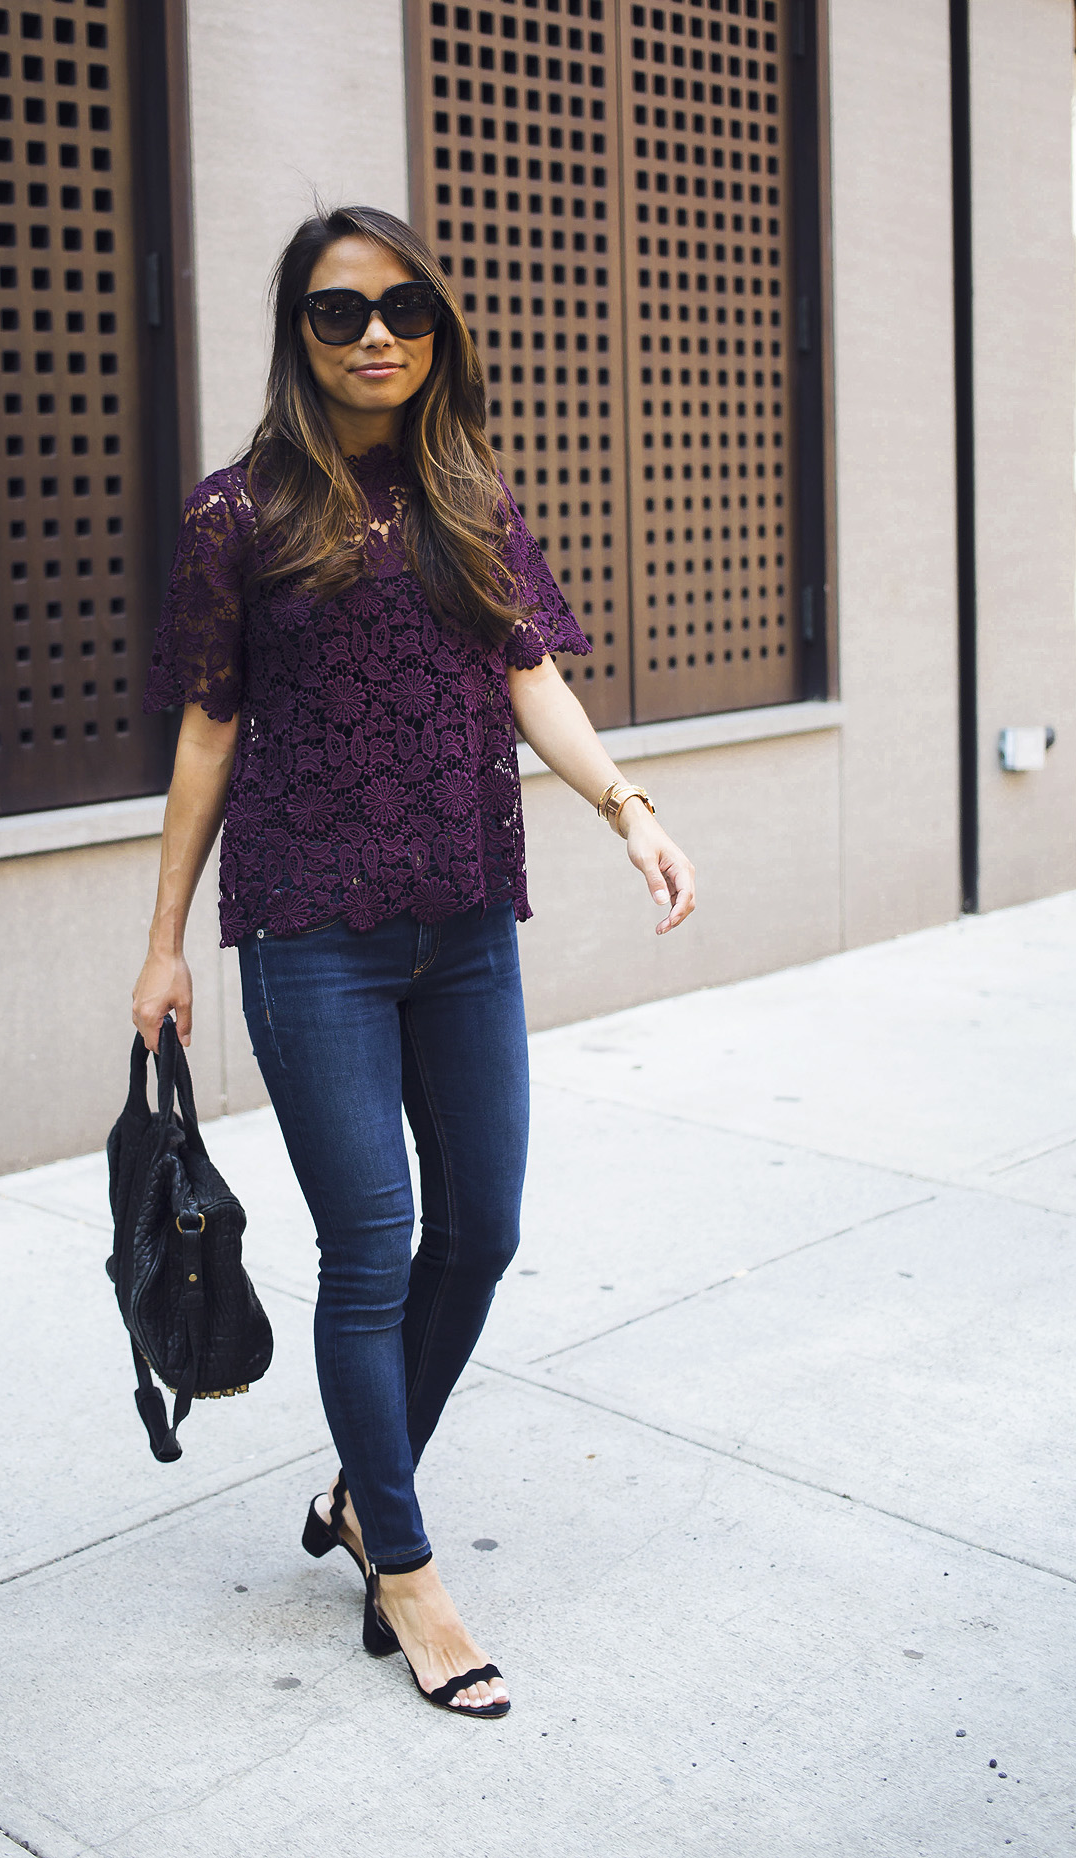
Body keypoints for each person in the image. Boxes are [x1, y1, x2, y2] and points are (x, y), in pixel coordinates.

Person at [132, 205, 695, 1719]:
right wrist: (163, 938)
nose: (376, 332)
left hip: (464, 922)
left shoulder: (467, 492)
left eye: (402, 307)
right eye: (338, 311)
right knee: (372, 1246)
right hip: (313, 926)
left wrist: (626, 807)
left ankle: (361, 1493)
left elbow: (532, 676)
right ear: (297, 335)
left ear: (435, 327)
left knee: (485, 1227)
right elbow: (208, 728)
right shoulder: (234, 515)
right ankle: (410, 1568)